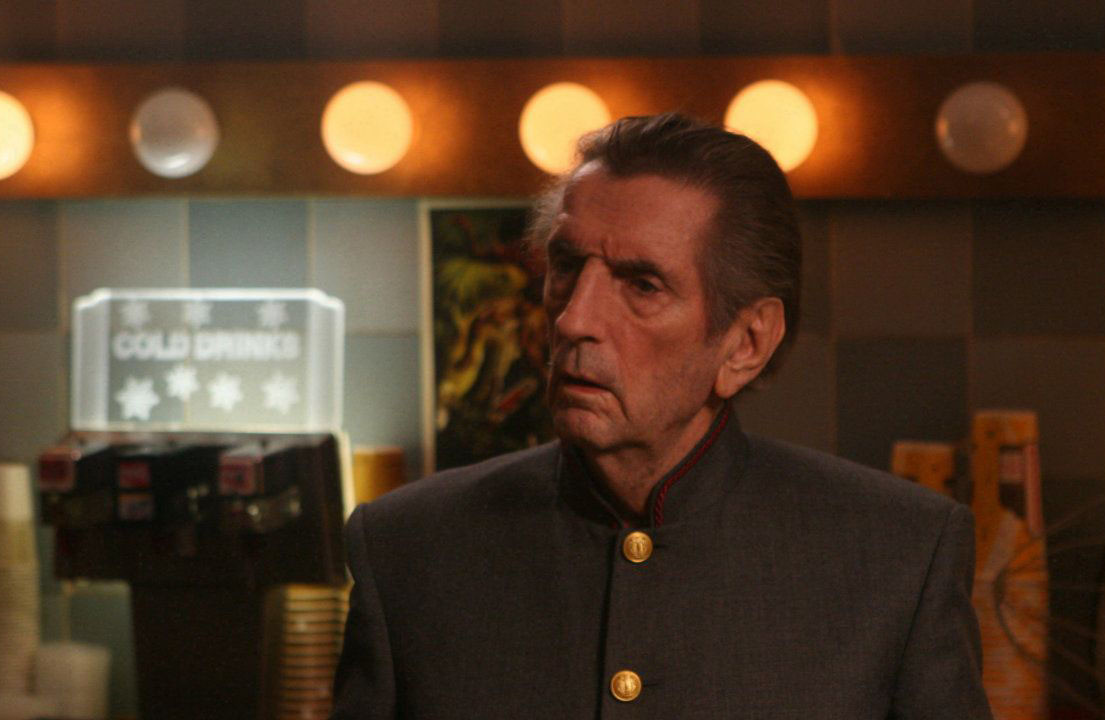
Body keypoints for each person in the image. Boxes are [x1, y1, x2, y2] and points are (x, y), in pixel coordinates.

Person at [331, 113, 992, 719]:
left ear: (746, 344)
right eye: (567, 266)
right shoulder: (406, 549)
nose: (574, 319)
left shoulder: (899, 557)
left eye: (642, 285)